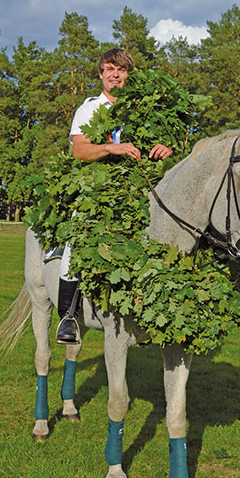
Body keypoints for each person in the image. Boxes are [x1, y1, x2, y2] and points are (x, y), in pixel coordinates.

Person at [56, 49, 173, 344]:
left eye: (121, 69)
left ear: (128, 75)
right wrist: (111, 148)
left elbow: (158, 144)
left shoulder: (142, 110)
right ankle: (68, 316)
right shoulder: (89, 109)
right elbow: (79, 151)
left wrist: (164, 149)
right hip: (97, 187)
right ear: (101, 74)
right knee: (77, 230)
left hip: (138, 186)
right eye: (110, 69)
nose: (115, 74)